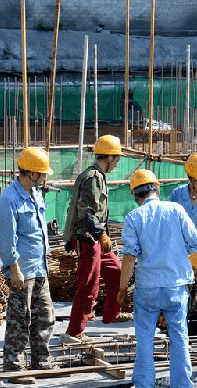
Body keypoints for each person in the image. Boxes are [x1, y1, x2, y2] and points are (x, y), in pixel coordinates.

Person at [118, 169, 197, 388]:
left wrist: (122, 290)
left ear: (136, 194)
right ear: (157, 190)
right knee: (179, 335)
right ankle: (182, 387)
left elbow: (129, 257)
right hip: (176, 286)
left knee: (144, 338)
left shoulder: (134, 217)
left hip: (148, 288)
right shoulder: (176, 210)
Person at [0, 147, 57, 381]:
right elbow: (7, 239)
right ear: (31, 173)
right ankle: (13, 367)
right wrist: (14, 269)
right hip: (22, 270)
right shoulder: (9, 199)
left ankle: (41, 361)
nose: (45, 178)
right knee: (19, 320)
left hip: (39, 268)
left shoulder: (35, 194)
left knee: (45, 317)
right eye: (42, 173)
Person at [61, 135, 130, 345]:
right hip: (88, 239)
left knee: (116, 272)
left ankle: (111, 314)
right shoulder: (93, 178)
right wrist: (102, 235)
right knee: (88, 286)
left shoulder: (98, 176)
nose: (117, 163)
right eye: (116, 158)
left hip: (96, 237)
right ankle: (73, 332)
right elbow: (87, 213)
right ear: (108, 157)